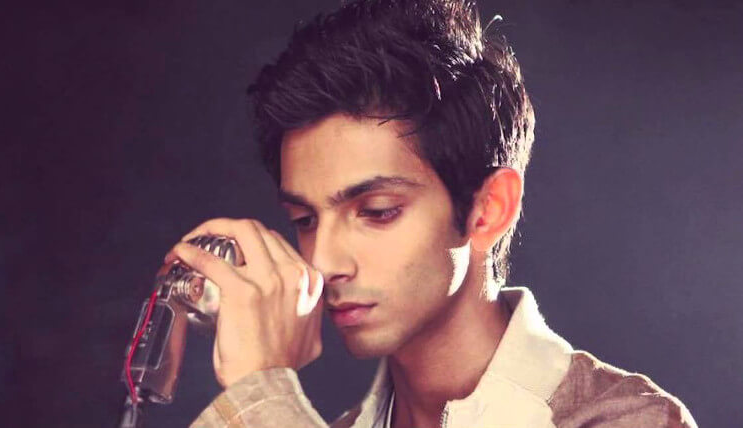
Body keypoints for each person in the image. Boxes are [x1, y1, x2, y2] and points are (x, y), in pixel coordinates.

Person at [165, 0, 697, 427]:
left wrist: (261, 395)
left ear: (488, 211)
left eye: (376, 211)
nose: (323, 262)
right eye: (306, 220)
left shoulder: (629, 420)